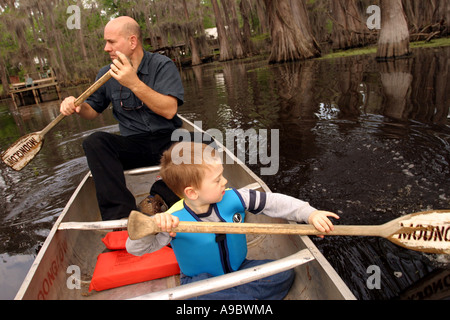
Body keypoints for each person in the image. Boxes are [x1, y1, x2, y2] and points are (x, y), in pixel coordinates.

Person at [126, 142, 340, 300]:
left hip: (240, 269)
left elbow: (274, 202)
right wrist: (153, 229)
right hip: (200, 282)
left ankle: (240, 300)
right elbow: (135, 249)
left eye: (223, 175)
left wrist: (309, 213)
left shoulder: (234, 197)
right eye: (217, 179)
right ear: (192, 192)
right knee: (203, 297)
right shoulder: (172, 220)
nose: (225, 181)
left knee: (283, 275)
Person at [60, 16, 184, 221]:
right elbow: (92, 111)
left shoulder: (162, 65)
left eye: (111, 42)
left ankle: (159, 194)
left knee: (201, 145)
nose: (106, 48)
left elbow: (170, 110)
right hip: (134, 145)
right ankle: (121, 219)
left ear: (132, 41)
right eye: (106, 42)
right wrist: (78, 106)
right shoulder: (106, 74)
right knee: (94, 142)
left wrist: (133, 82)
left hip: (168, 142)